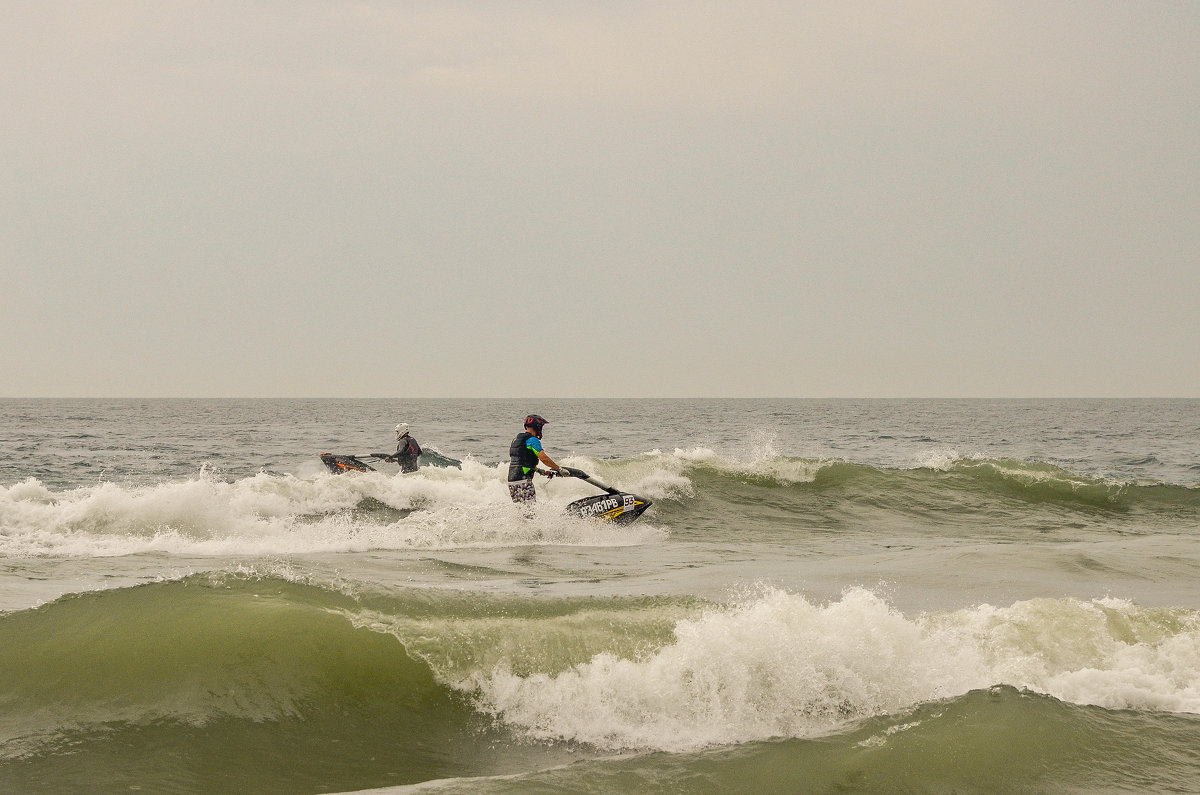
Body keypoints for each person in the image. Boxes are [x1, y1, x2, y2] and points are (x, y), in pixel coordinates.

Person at [507, 414, 562, 505]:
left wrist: (541, 471)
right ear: (538, 426)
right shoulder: (532, 440)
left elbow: (522, 462)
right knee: (530, 511)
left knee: (521, 511)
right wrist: (559, 469)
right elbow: (544, 459)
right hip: (524, 481)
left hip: (512, 481)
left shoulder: (516, 440)